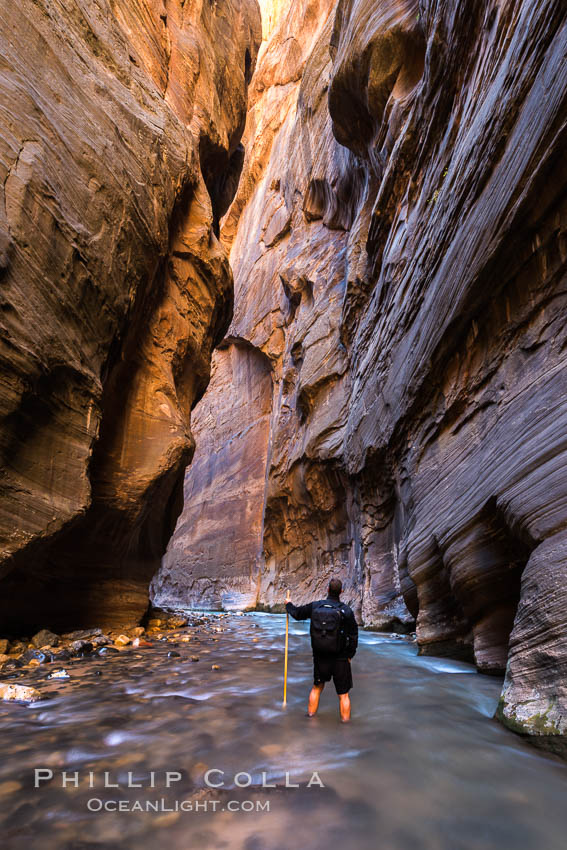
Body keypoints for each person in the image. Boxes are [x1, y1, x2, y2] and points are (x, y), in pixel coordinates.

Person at [285, 578, 358, 722]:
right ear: (341, 592)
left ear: (327, 589)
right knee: (343, 695)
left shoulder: (315, 606)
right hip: (340, 658)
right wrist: (350, 655)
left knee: (316, 688)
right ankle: (346, 726)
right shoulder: (346, 611)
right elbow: (354, 636)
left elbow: (297, 614)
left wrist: (288, 605)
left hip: (320, 656)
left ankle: (310, 718)